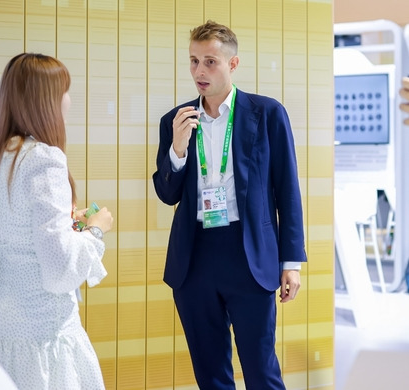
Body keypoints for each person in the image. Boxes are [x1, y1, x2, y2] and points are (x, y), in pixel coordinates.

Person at [152, 21, 307, 389]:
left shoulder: (267, 114)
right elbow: (167, 193)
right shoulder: (175, 121)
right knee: (210, 374)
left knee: (261, 370)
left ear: (232, 64)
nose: (199, 72)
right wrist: (177, 149)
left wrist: (291, 263)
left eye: (209, 62)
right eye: (193, 61)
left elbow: (287, 190)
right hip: (195, 259)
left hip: (249, 254)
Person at [0, 53, 113, 390]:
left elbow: (15, 228)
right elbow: (59, 268)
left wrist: (66, 224)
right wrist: (95, 229)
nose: (69, 100)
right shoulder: (45, 160)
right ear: (45, 100)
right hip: (40, 327)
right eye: (64, 91)